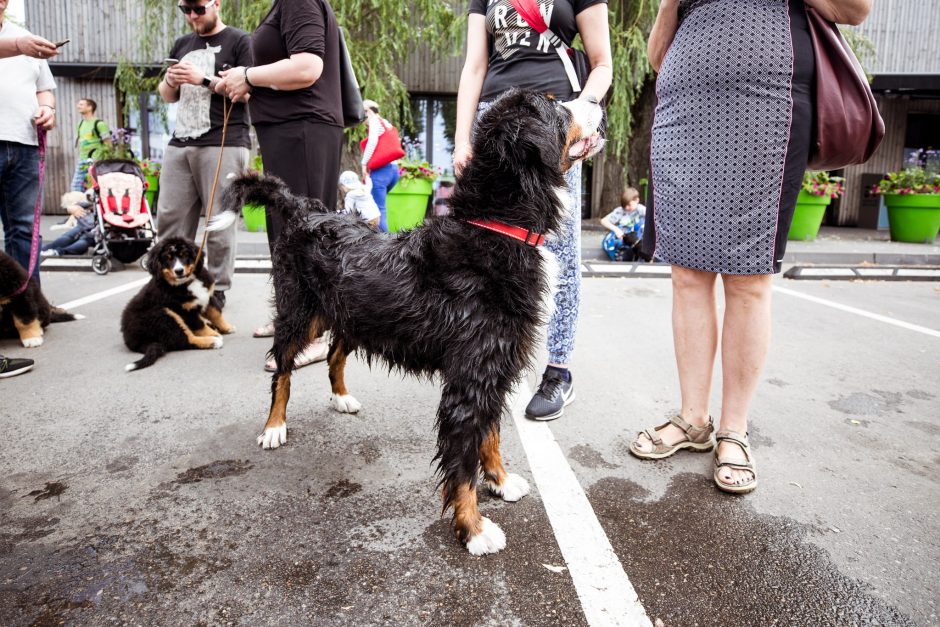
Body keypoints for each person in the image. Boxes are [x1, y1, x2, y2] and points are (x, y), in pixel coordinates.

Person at [631, 0, 872, 494]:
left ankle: (733, 431)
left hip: (765, 98)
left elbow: (855, 9)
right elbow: (658, 56)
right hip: (684, 105)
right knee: (686, 273)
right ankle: (693, 419)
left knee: (748, 276)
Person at [453, 0, 612, 421]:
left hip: (551, 120)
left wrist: (582, 109)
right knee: (483, 245)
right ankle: (486, 347)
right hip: (494, 119)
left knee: (560, 249)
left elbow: (602, 64)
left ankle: (558, 370)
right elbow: (475, 65)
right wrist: (461, 139)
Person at [217, 0, 344, 370]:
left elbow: (307, 67)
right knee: (286, 230)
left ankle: (310, 334)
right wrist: (249, 83)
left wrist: (249, 75)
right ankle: (292, 320)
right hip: (291, 127)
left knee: (301, 234)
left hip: (303, 127)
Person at [157, 0, 252, 311]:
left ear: (216, 4)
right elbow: (168, 96)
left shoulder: (240, 41)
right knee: (169, 217)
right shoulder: (182, 43)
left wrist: (203, 79)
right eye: (185, 9)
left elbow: (248, 92)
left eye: (198, 8)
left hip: (223, 141)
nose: (192, 16)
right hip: (180, 141)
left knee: (219, 222)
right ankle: (169, 286)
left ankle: (217, 289)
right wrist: (170, 81)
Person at [0, 3, 57, 379]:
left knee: (24, 232)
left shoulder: (28, 41)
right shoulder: (22, 40)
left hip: (22, 144)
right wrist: (19, 43)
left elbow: (45, 90)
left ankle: (27, 312)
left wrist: (47, 110)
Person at [360, 99, 400, 232]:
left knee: (377, 210)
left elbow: (372, 142)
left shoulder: (374, 121)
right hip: (394, 171)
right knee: (380, 207)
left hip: (382, 171)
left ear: (368, 111)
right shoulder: (386, 123)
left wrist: (364, 163)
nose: (361, 118)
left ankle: (384, 245)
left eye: (362, 113)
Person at [70, 98, 111, 192]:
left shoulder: (99, 124)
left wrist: (101, 160)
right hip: (82, 159)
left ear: (90, 107)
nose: (78, 106)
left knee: (96, 187)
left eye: (81, 104)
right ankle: (81, 206)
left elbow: (108, 144)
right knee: (75, 186)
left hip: (95, 160)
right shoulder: (80, 124)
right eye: (78, 104)